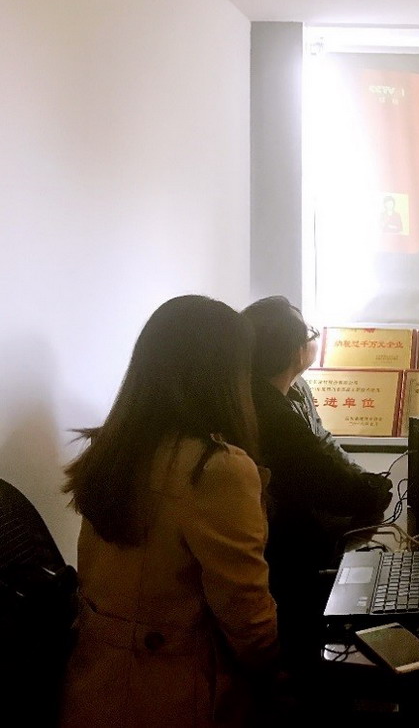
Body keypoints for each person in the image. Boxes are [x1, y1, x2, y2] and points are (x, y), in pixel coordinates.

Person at [60, 296, 279, 727]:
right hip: (177, 693)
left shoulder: (114, 449)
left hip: (95, 686)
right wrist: (281, 670)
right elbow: (246, 613)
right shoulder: (214, 468)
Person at [239, 297, 393, 670]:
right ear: (294, 351)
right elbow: (326, 483)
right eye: (309, 332)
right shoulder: (269, 414)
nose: (314, 338)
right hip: (287, 557)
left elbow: (322, 444)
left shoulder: (295, 388)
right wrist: (371, 490)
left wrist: (361, 478)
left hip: (306, 532)